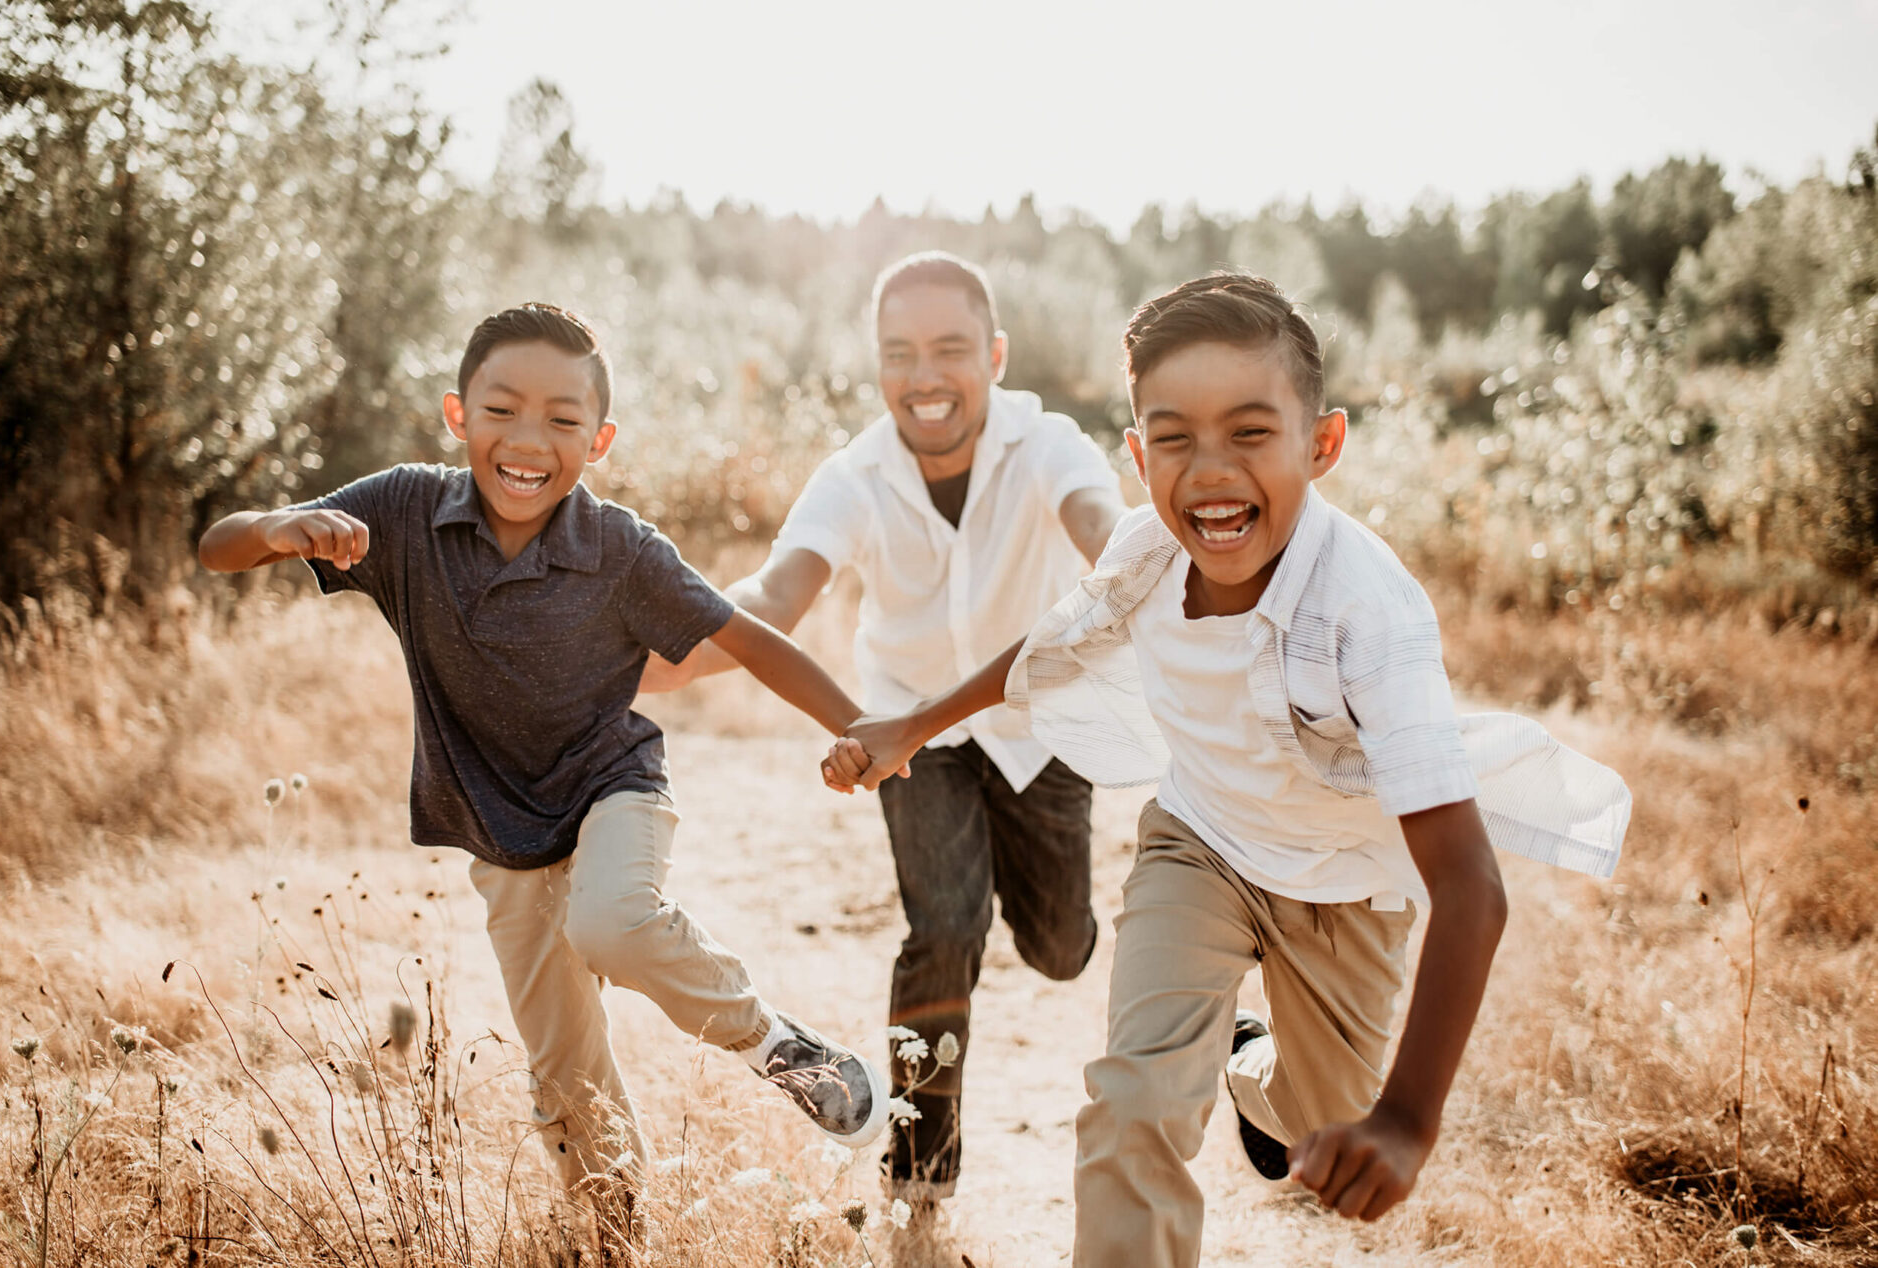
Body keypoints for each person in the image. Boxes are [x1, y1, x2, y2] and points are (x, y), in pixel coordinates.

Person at [823, 272, 1630, 1265]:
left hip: (1345, 888)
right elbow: (1053, 646)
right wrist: (916, 722)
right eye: (1174, 437)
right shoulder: (1147, 550)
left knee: (1319, 1124)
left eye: (1250, 432)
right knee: (1133, 1103)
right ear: (1138, 450)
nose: (1208, 472)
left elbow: (1469, 885)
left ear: (1321, 444)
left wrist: (1407, 1119)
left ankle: (1253, 1064)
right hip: (1198, 845)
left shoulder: (1369, 612)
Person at [198, 302, 885, 1256]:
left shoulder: (621, 550)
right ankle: (613, 1239)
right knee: (564, 1073)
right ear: (457, 415)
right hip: (499, 833)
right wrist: (281, 526)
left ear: (599, 440)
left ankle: (778, 1046)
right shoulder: (401, 511)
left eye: (563, 420)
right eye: (503, 411)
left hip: (615, 789)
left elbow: (747, 638)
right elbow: (217, 545)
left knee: (610, 917)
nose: (529, 441)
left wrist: (858, 729)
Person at [641, 252, 1128, 1208]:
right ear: (876, 367)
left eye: (950, 350)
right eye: (899, 354)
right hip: (916, 737)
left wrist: (1149, 564)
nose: (924, 376)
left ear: (992, 355)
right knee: (943, 927)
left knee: (1062, 947)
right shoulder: (855, 473)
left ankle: (1039, 930)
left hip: (1040, 729)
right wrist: (651, 651)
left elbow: (1107, 533)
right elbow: (774, 594)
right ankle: (920, 1172)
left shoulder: (1051, 444)